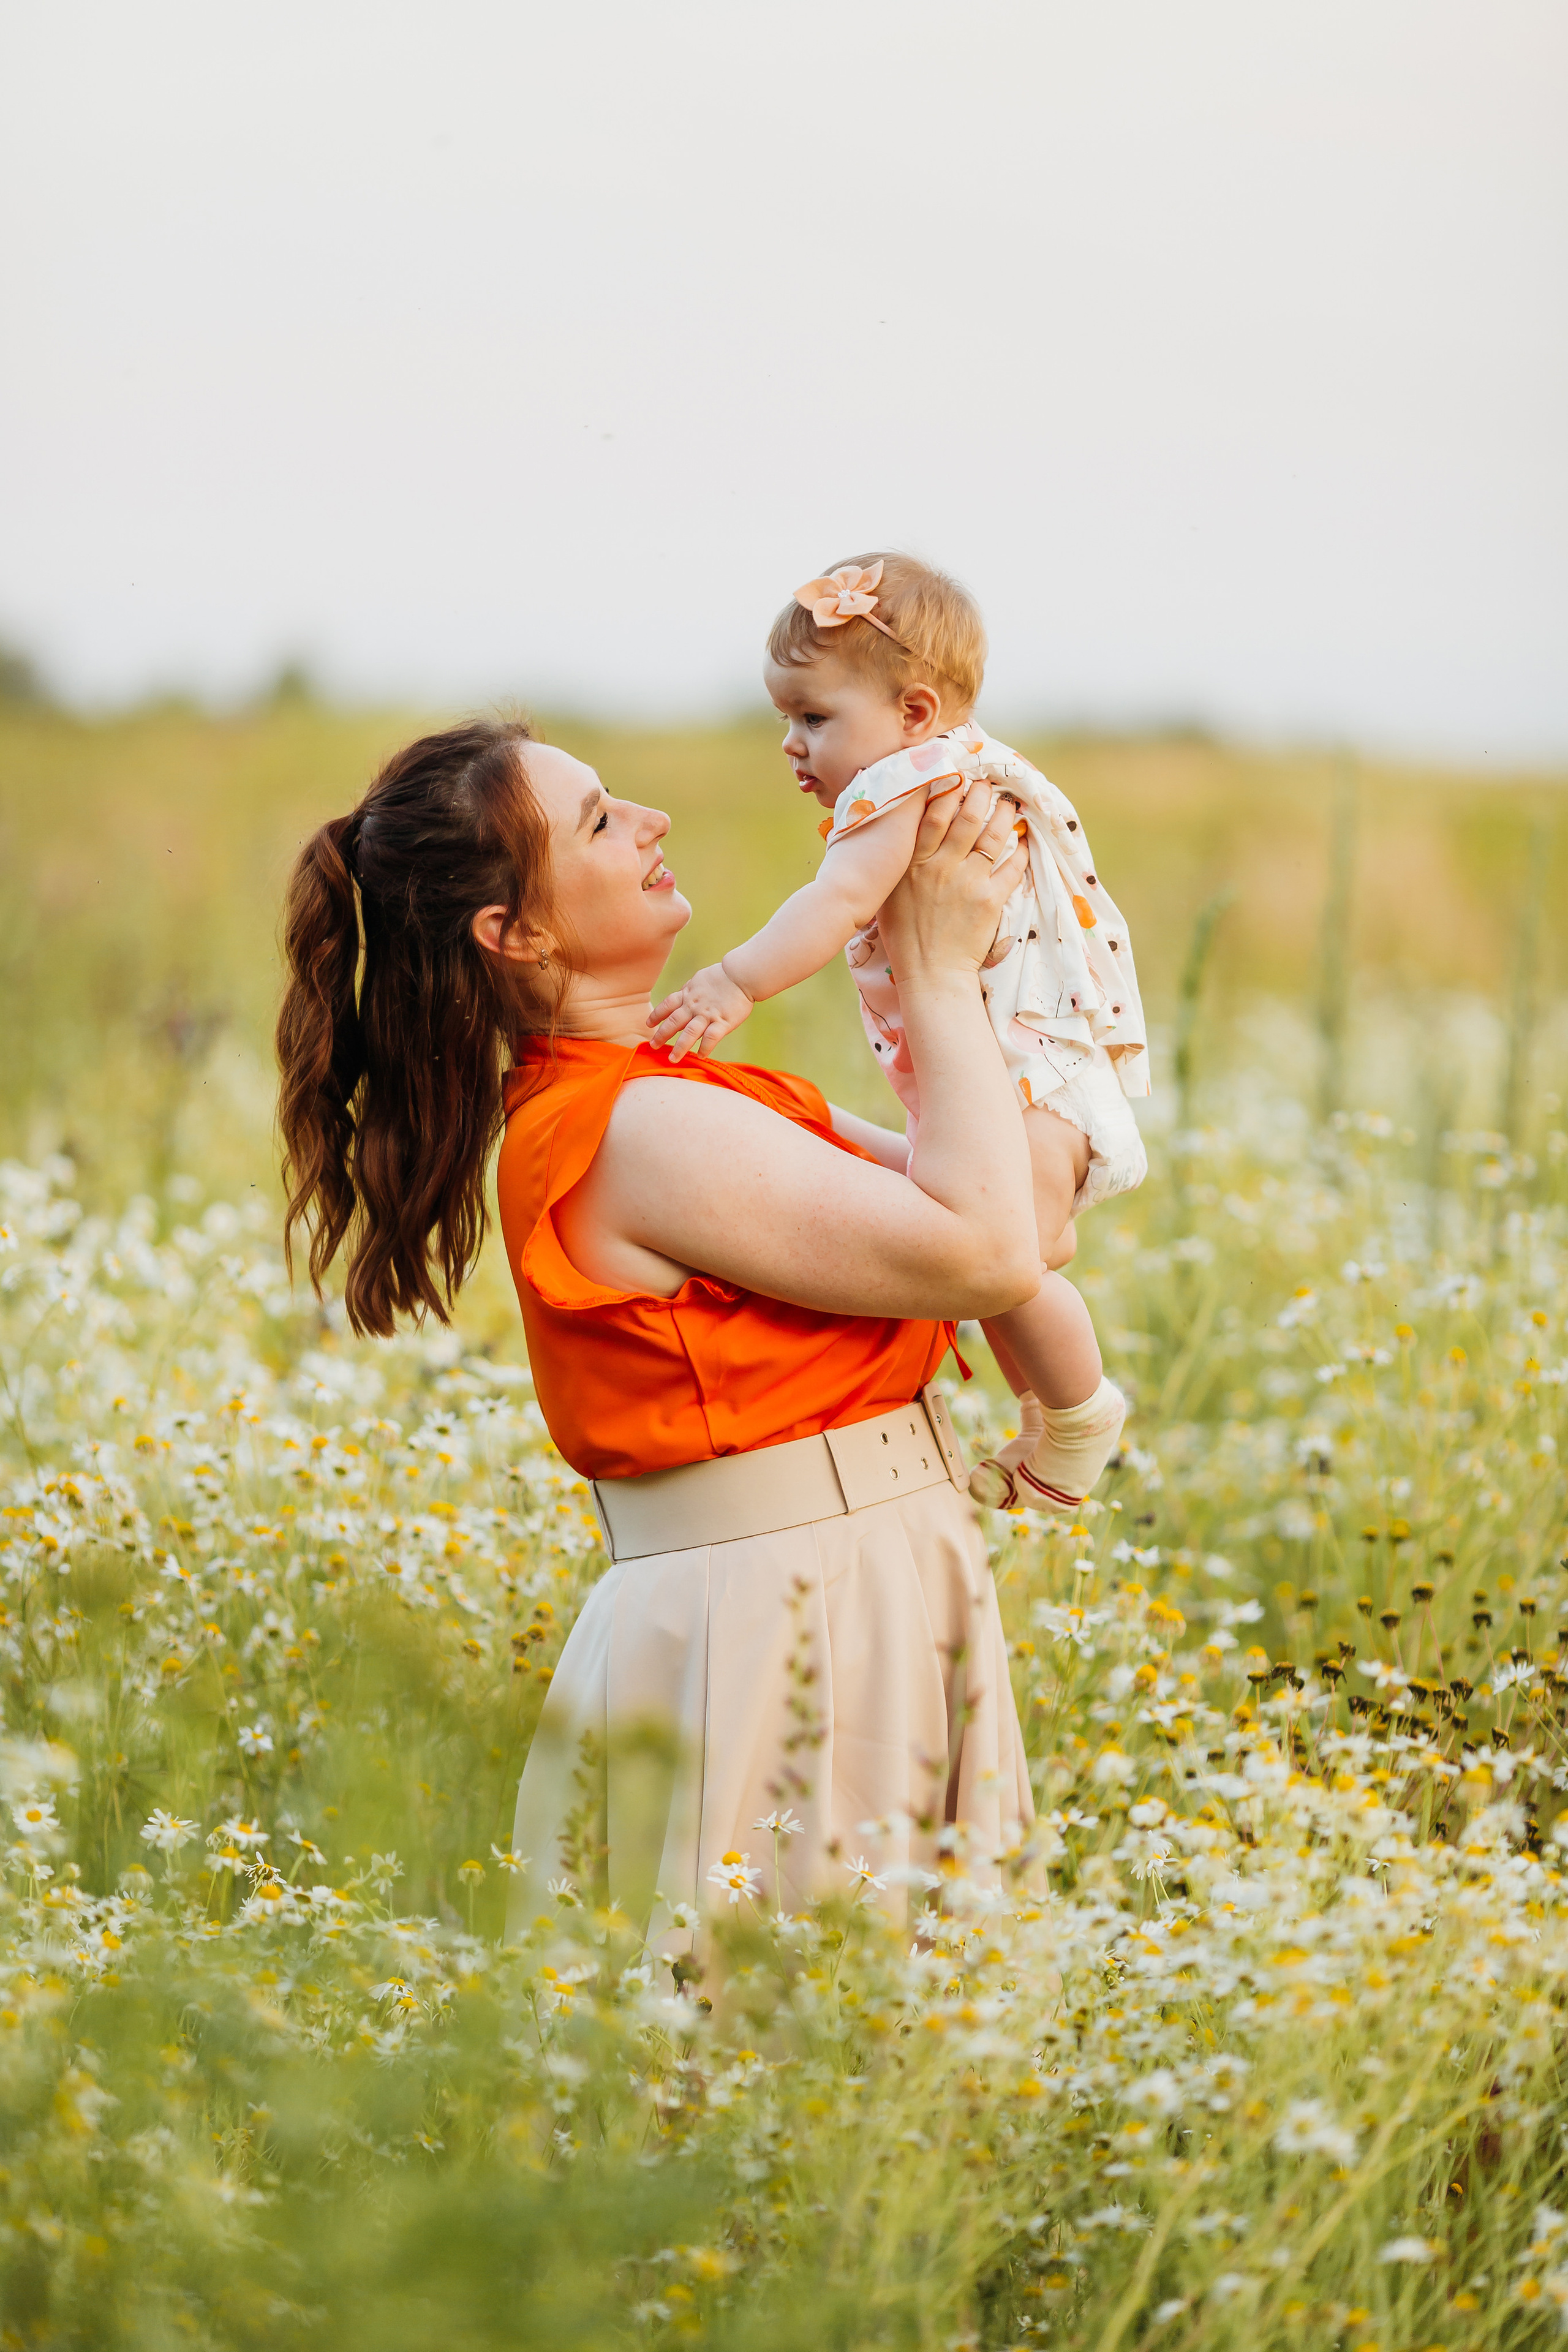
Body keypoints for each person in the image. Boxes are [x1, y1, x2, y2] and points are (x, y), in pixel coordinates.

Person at [274, 716, 1041, 1947]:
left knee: (894, 2032)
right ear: (515, 934)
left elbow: (1026, 1224)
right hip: (792, 1610)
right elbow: (991, 1255)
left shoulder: (684, 1094)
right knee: (803, 2032)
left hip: (858, 1578)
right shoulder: (634, 1129)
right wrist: (936, 971)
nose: (650, 822)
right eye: (597, 820)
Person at [650, 552, 1147, 1513]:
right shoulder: (958, 761)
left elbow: (837, 900)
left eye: (814, 718)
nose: (792, 745)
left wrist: (734, 980)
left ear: (915, 711)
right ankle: (1044, 1419)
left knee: (1002, 1263)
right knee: (993, 1263)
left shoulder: (905, 781)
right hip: (1023, 1072)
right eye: (787, 719)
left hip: (1025, 1076)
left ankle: (1080, 1417)